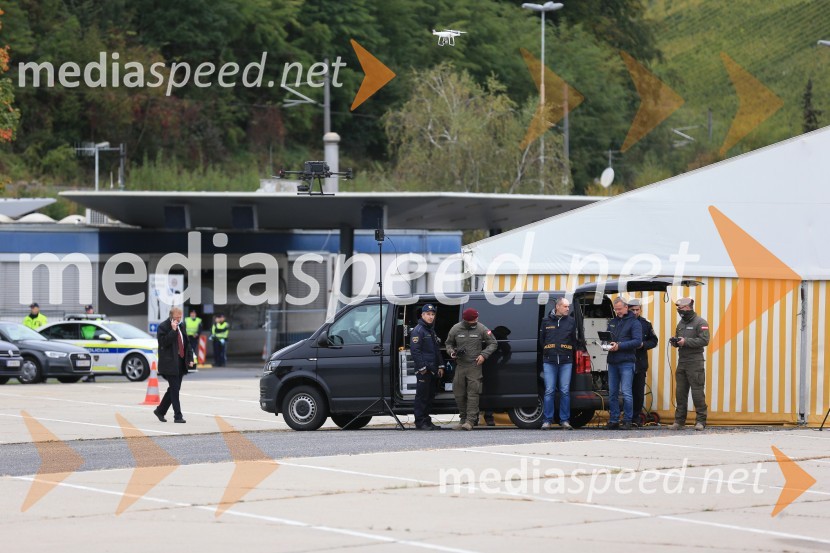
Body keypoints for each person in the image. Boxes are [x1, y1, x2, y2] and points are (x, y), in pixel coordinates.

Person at [445, 308, 498, 431]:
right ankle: (463, 419)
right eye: (474, 319)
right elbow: (448, 344)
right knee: (458, 393)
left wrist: (484, 355)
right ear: (466, 320)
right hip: (460, 365)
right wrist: (452, 352)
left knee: (473, 394)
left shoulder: (481, 328)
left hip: (474, 365)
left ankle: (470, 421)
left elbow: (493, 343)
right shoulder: (456, 329)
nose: (476, 320)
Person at [670, 297, 710, 431]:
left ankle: (701, 421)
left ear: (688, 308)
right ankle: (679, 421)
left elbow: (704, 340)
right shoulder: (681, 323)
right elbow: (680, 339)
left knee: (697, 393)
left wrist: (686, 341)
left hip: (695, 362)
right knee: (680, 393)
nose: (679, 311)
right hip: (682, 362)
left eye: (680, 308)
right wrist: (676, 342)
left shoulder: (701, 322)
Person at [540, 297, 577, 430]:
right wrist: (548, 352)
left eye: (568, 307)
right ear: (558, 307)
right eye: (565, 306)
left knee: (565, 391)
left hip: (566, 361)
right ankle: (547, 420)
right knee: (549, 390)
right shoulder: (546, 321)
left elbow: (574, 340)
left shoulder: (571, 321)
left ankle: (565, 420)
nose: (568, 309)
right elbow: (542, 340)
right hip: (549, 361)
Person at [605, 297, 643, 430]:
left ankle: (627, 420)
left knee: (626, 392)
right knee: (612, 393)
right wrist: (606, 344)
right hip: (613, 361)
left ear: (626, 307)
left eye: (620, 309)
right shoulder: (613, 321)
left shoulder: (634, 322)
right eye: (616, 309)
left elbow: (637, 341)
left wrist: (619, 346)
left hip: (626, 361)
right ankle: (614, 419)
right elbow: (609, 337)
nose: (618, 312)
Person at [154, 306, 194, 423]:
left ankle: (160, 411)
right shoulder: (163, 326)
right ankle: (178, 416)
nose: (179, 319)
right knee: (175, 390)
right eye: (177, 317)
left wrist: (190, 358)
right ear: (171, 316)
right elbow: (163, 343)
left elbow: (187, 344)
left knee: (174, 389)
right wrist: (173, 330)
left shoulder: (181, 325)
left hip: (181, 362)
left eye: (180, 317)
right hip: (169, 363)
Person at [409, 304, 445, 430]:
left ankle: (427, 421)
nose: (431, 317)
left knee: (429, 396)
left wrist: (441, 366)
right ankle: (420, 422)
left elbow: (436, 350)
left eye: (432, 314)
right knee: (422, 397)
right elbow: (415, 351)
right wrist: (422, 368)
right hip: (424, 370)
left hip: (433, 369)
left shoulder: (430, 330)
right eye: (428, 314)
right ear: (422, 315)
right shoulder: (418, 330)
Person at [628, 299, 658, 425]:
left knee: (638, 392)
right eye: (632, 310)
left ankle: (635, 418)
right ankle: (626, 416)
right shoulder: (623, 322)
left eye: (637, 310)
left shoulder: (646, 324)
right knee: (625, 391)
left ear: (640, 310)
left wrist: (643, 345)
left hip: (640, 362)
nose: (635, 312)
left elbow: (654, 341)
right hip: (625, 361)